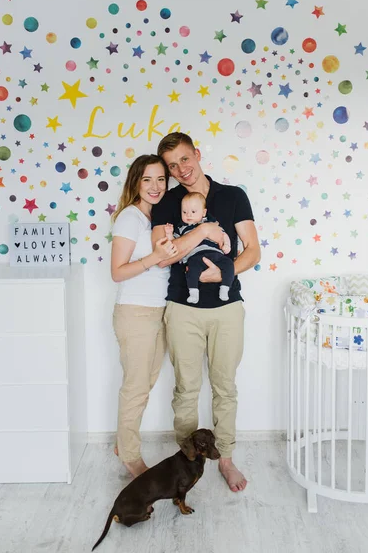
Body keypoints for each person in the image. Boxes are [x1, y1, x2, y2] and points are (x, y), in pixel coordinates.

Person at [151, 133, 261, 492]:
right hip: (183, 309)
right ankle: (186, 463)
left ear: (197, 155)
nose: (181, 169)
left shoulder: (233, 196)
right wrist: (203, 230)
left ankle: (225, 458)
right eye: (172, 165)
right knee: (186, 389)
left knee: (224, 387)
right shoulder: (167, 203)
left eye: (185, 159)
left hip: (227, 309)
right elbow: (164, 255)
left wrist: (223, 270)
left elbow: (253, 251)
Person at [111, 154, 177, 478]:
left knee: (144, 384)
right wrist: (155, 257)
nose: (155, 186)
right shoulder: (129, 218)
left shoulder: (155, 219)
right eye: (148, 179)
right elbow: (117, 272)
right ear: (136, 182)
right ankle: (130, 456)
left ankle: (123, 441)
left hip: (158, 311)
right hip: (135, 312)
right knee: (136, 388)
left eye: (161, 179)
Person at [164, 191, 234, 304]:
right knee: (191, 271)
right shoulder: (182, 228)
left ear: (203, 212)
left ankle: (225, 288)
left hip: (215, 254)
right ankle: (193, 292)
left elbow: (223, 234)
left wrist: (227, 245)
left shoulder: (211, 224)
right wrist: (169, 234)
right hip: (196, 257)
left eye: (193, 211)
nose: (188, 215)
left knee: (229, 264)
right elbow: (175, 244)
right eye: (184, 212)